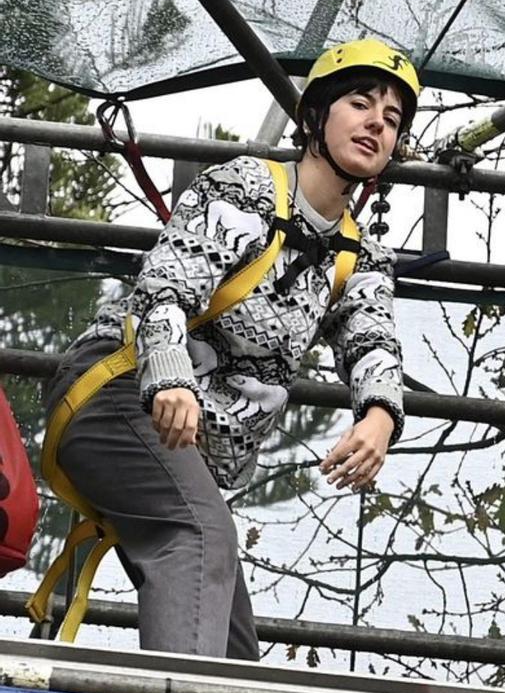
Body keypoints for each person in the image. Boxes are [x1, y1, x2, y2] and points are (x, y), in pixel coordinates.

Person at [34, 38, 419, 659]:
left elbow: (373, 341)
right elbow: (161, 291)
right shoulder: (247, 187)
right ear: (316, 115)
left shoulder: (358, 255)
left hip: (183, 444)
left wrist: (379, 417)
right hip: (121, 390)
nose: (378, 122)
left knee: (235, 651)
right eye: (360, 102)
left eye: (394, 119)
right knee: (200, 535)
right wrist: (171, 379)